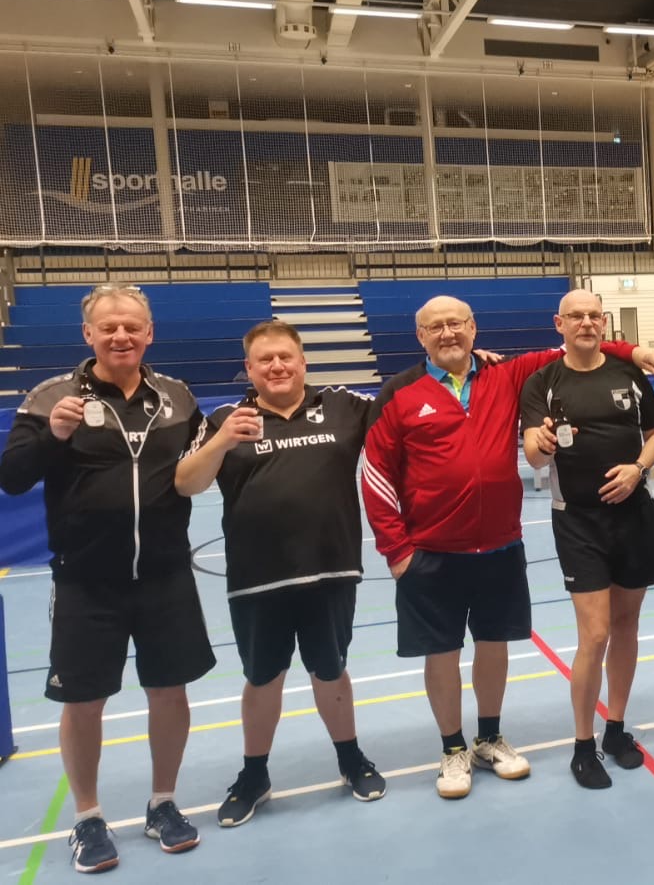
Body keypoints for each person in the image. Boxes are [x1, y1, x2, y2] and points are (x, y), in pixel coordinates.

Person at [360, 295, 654, 799]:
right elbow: (375, 473)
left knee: (493, 645)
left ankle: (489, 738)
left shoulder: (506, 374)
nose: (448, 333)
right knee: (442, 652)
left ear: (473, 328)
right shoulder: (399, 392)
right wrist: (397, 549)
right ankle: (452, 748)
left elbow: (576, 344)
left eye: (457, 323)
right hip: (430, 549)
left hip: (499, 543)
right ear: (421, 336)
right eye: (436, 326)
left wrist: (631, 350)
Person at [0, 284, 213, 874]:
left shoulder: (177, 397)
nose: (122, 336)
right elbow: (12, 478)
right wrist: (54, 436)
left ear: (150, 333)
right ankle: (88, 816)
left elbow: (201, 465)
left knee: (169, 691)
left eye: (132, 326)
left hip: (166, 575)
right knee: (84, 700)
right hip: (85, 580)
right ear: (88, 334)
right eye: (109, 327)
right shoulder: (51, 397)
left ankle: (163, 803)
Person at [173, 321, 386, 827]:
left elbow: (404, 403)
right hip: (258, 578)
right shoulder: (225, 418)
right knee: (262, 678)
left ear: (303, 361)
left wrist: (473, 363)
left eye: (285, 357)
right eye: (264, 360)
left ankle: (351, 758)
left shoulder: (344, 405)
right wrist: (221, 442)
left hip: (330, 572)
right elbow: (185, 482)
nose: (277, 367)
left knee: (330, 670)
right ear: (249, 369)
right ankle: (254, 775)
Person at [521, 291, 654, 790]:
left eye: (593, 315)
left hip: (634, 515)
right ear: (558, 323)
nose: (586, 323)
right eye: (576, 316)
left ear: (603, 322)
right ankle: (583, 746)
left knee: (626, 626)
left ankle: (616, 729)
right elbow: (535, 455)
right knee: (596, 634)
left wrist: (638, 468)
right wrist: (541, 445)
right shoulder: (543, 382)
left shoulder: (628, 375)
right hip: (578, 522)